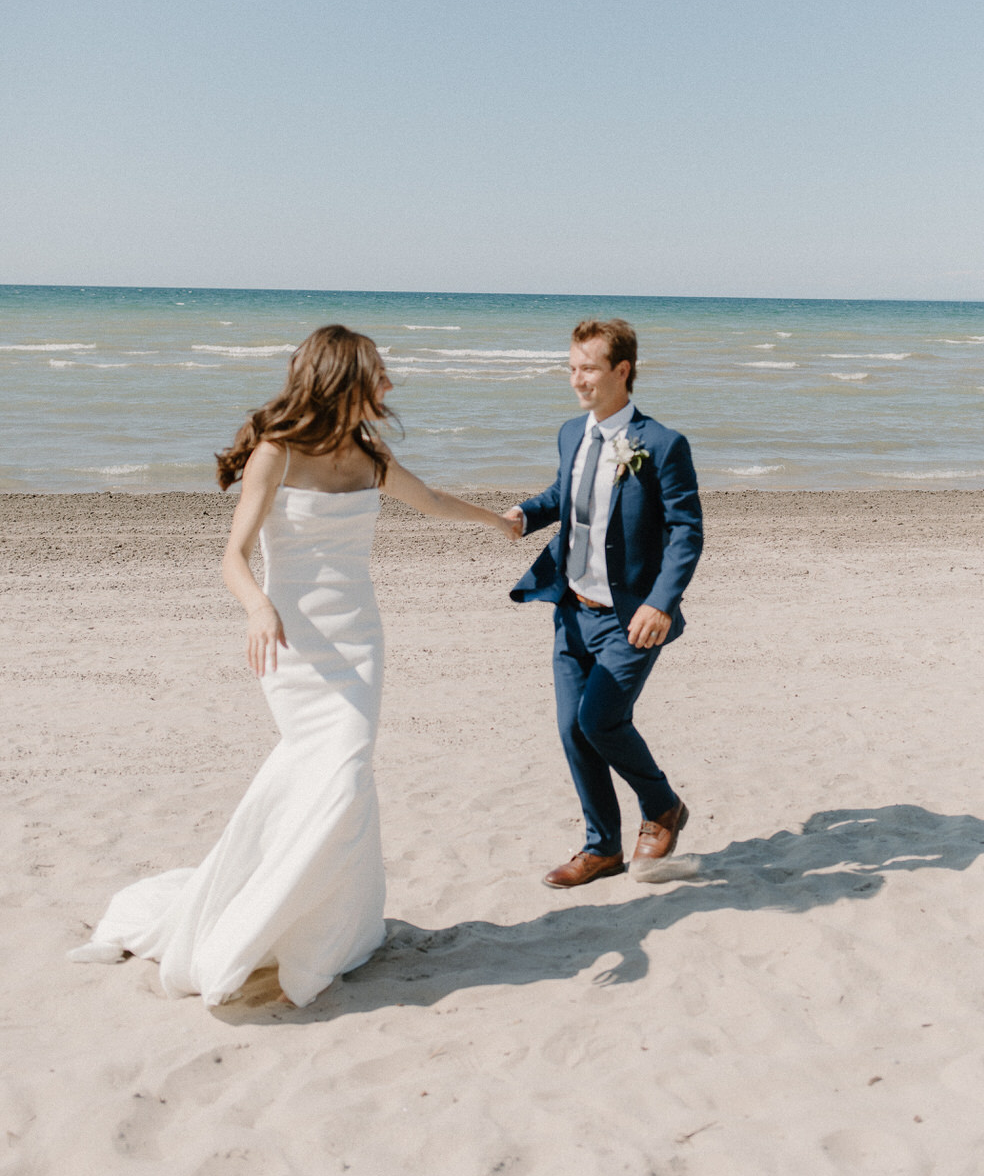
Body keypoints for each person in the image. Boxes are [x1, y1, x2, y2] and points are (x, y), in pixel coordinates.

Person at [68, 325, 519, 1008]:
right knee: (331, 770)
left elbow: (430, 502)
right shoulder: (275, 454)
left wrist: (499, 522)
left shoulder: (370, 456)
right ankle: (250, 920)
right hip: (293, 642)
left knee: (345, 775)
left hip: (359, 639)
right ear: (345, 380)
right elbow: (232, 556)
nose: (391, 387)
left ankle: (327, 931)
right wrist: (255, 608)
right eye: (380, 374)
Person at [507, 318, 703, 888]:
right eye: (571, 368)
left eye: (588, 368)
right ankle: (602, 849)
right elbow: (565, 495)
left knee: (600, 719)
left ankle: (661, 805)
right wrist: (525, 513)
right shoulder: (572, 433)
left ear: (622, 370)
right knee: (573, 729)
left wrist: (662, 602)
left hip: (631, 618)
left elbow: (687, 532)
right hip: (570, 609)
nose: (577, 380)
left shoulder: (662, 445)